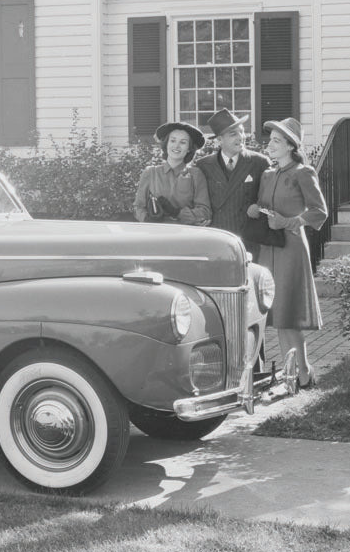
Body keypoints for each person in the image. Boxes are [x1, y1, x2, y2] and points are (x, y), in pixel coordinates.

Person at [247, 118, 327, 390]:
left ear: (292, 147)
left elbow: (319, 211)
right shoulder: (268, 174)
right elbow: (266, 204)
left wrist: (290, 221)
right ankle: (289, 373)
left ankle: (303, 373)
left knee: (289, 312)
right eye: (270, 140)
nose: (270, 145)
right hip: (269, 247)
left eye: (277, 141)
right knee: (277, 313)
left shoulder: (303, 173)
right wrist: (256, 209)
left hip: (291, 247)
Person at [196, 108, 269, 254]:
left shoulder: (259, 162)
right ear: (219, 140)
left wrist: (258, 208)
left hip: (250, 240)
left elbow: (270, 200)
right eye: (233, 134)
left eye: (242, 131)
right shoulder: (203, 166)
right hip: (216, 238)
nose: (241, 137)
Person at [133, 121, 210, 225]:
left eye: (183, 142)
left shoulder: (195, 174)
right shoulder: (151, 173)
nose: (176, 146)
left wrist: (176, 212)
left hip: (186, 234)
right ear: (166, 144)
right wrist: (148, 219)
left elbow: (204, 212)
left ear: (189, 148)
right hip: (156, 234)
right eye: (173, 141)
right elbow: (138, 207)